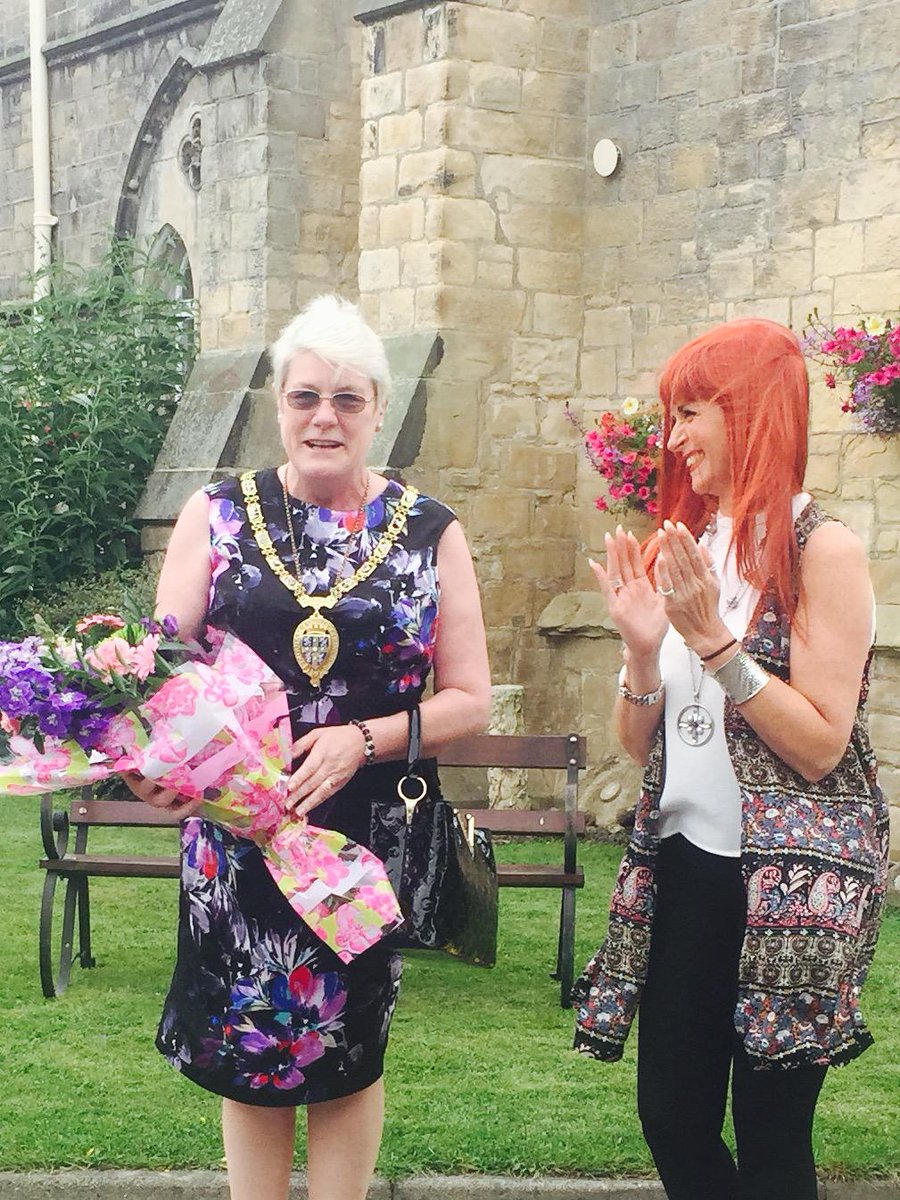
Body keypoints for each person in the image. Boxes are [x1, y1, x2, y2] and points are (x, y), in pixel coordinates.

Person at [125, 295, 491, 1200]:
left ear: (377, 409)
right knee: (252, 1050)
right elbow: (160, 670)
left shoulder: (432, 531)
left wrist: (363, 740)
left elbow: (470, 700)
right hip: (240, 836)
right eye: (304, 396)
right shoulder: (214, 515)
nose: (324, 416)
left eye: (348, 398)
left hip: (359, 842)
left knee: (350, 1056)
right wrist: (152, 763)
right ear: (279, 406)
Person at [572, 318, 889, 1200]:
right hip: (685, 870)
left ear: (750, 414)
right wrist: (642, 651)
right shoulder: (694, 546)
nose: (671, 439)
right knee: (670, 1113)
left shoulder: (823, 549)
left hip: (789, 888)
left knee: (772, 1137)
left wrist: (715, 643)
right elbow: (641, 748)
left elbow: (825, 744)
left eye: (690, 413)